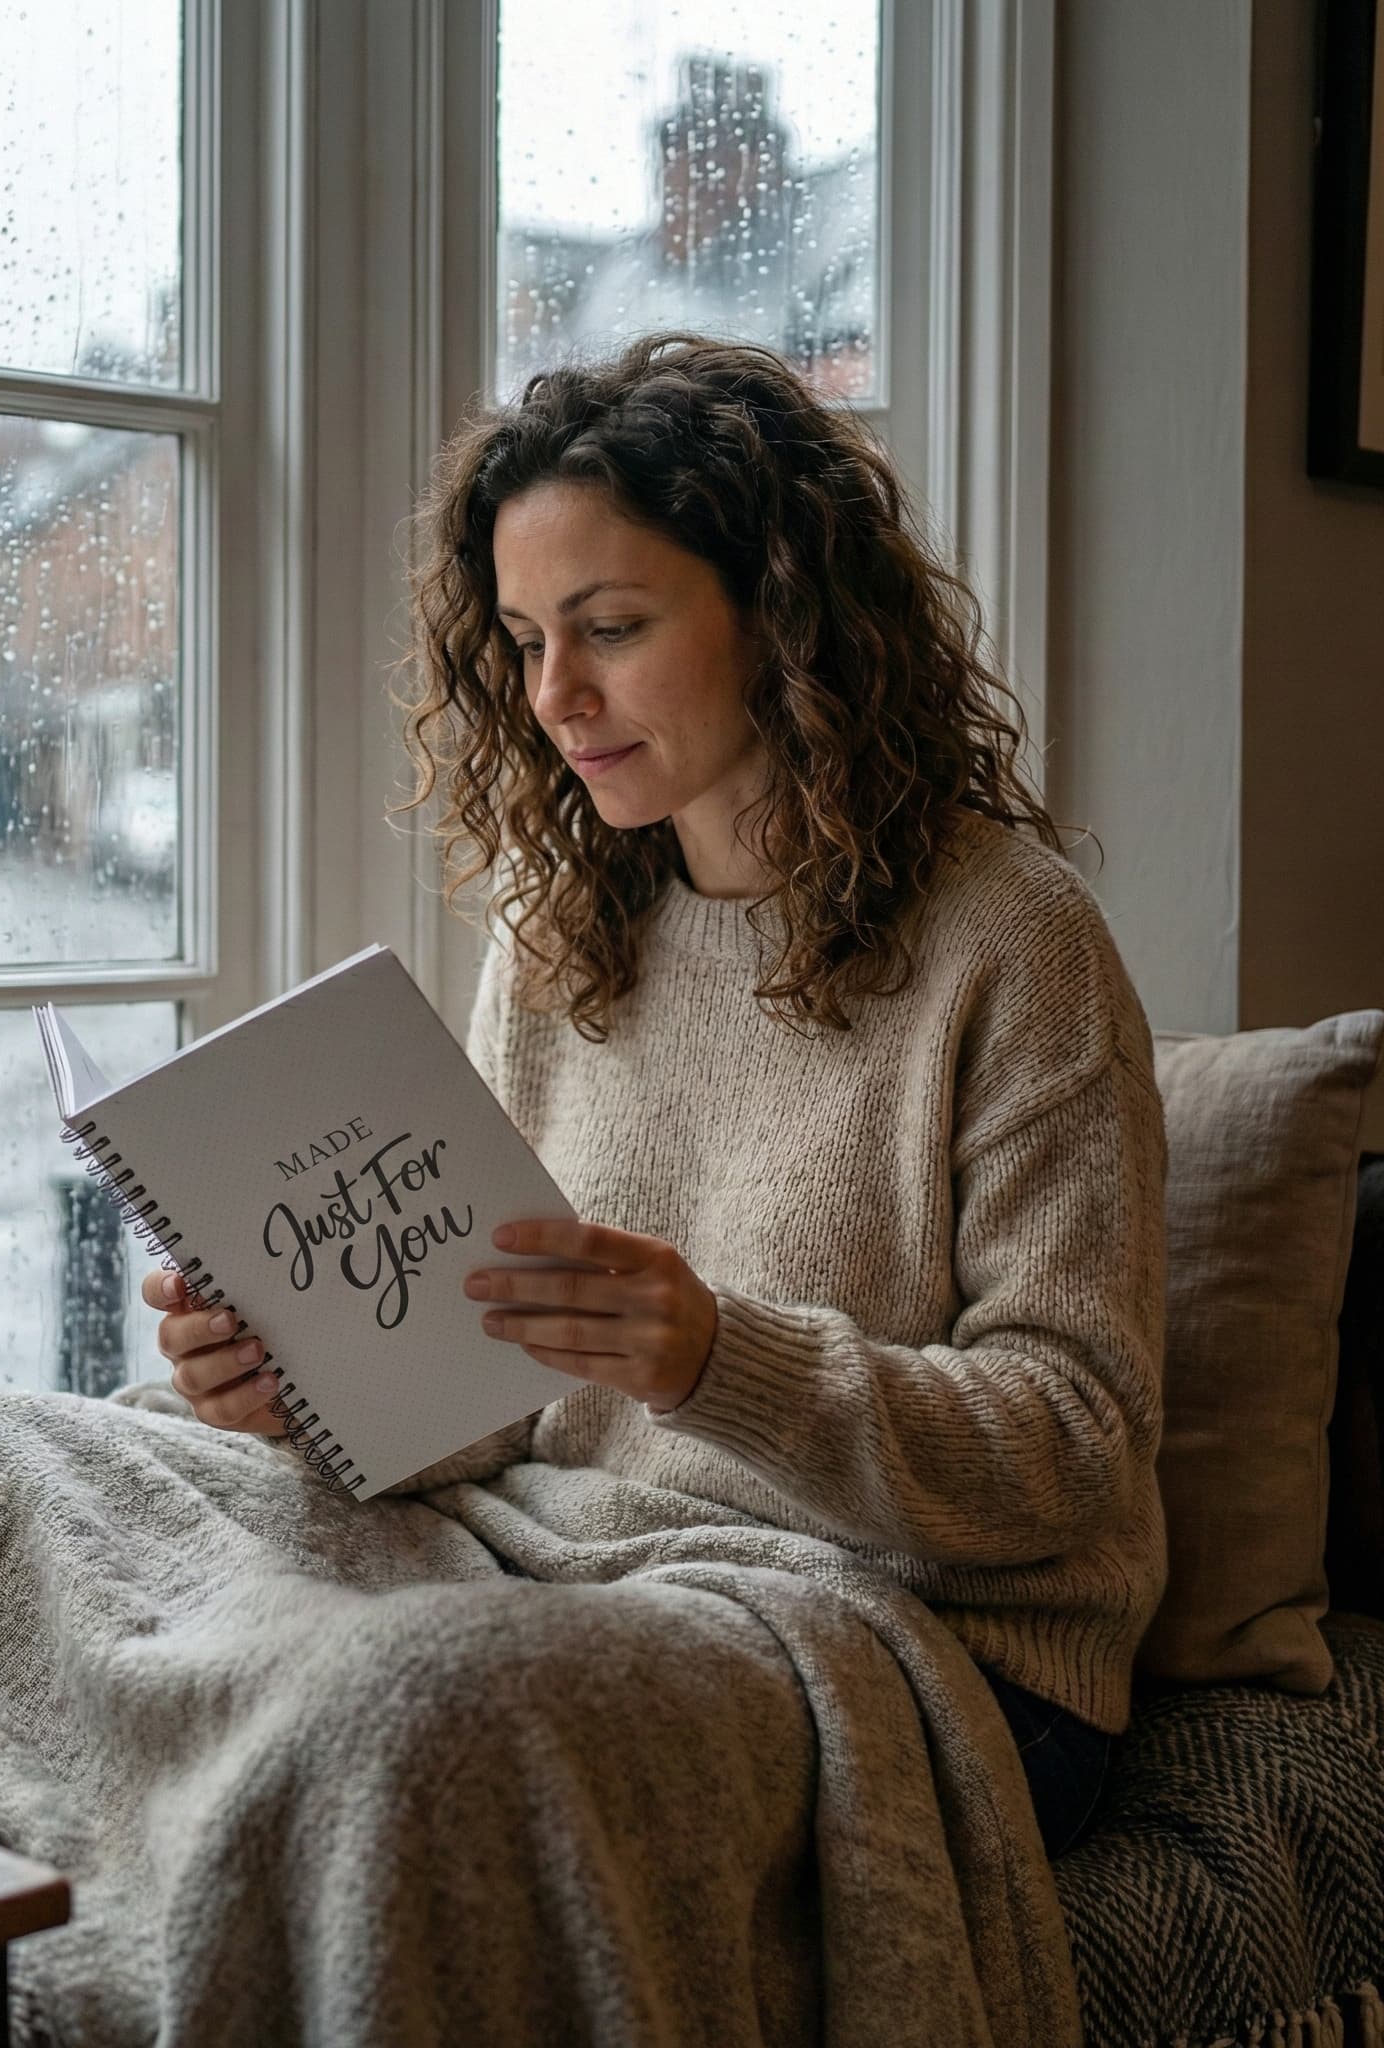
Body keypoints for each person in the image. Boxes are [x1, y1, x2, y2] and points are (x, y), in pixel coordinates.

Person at [143, 330, 1166, 1866]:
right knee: (17, 1470)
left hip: (933, 1651)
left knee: (397, 1711)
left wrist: (718, 1359)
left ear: (782, 612)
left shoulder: (1011, 942)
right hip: (582, 1560)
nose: (555, 695)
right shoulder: (562, 939)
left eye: (609, 626)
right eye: (523, 639)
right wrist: (313, 1393)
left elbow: (1075, 1447)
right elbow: (500, 1416)